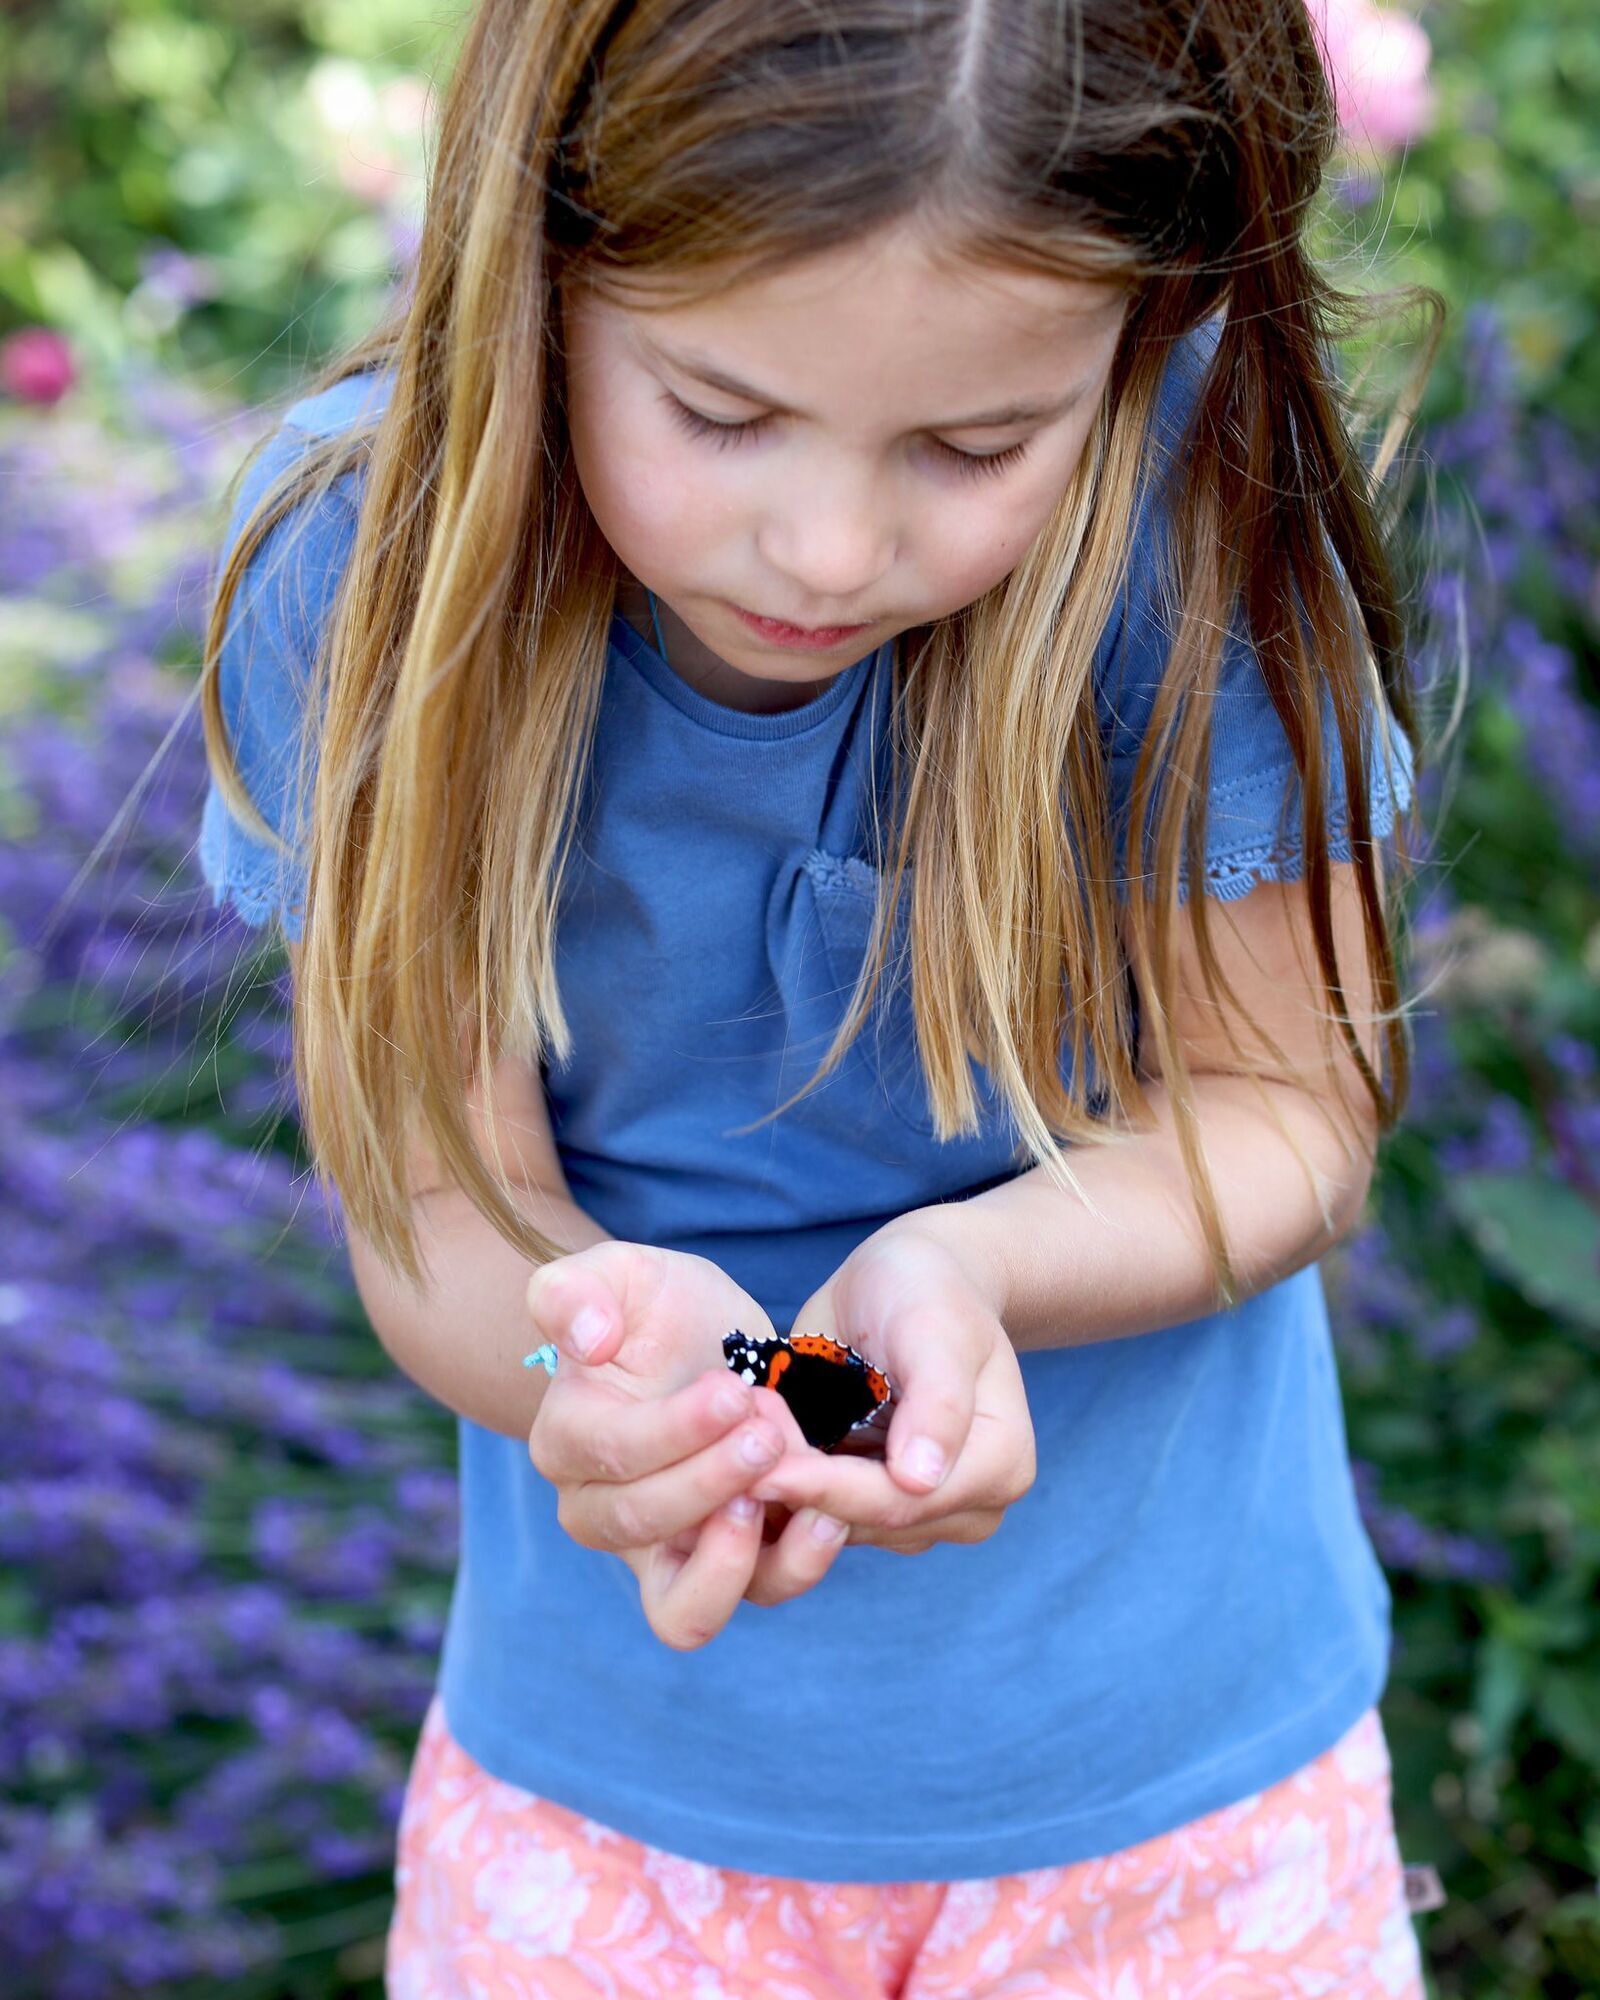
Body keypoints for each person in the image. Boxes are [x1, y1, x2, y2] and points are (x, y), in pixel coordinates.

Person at [196, 0, 1442, 1992]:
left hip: (1175, 1816)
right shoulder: (367, 568)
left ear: (1140, 344)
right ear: (543, 264)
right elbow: (435, 1202)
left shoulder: (1191, 511)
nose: (828, 545)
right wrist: (581, 1359)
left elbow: (1284, 1104)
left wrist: (976, 1270)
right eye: (717, 414)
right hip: (612, 1830)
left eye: (970, 447)